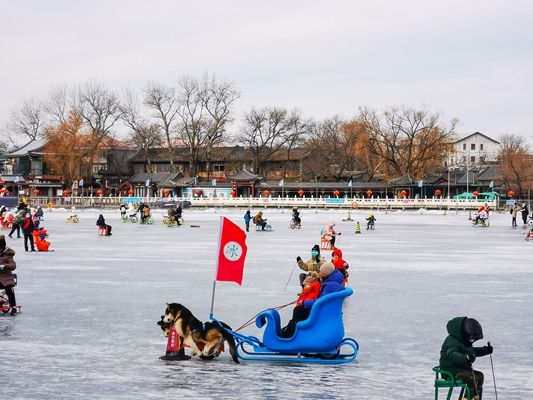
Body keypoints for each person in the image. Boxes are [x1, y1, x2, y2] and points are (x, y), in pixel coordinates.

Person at [280, 262, 344, 338]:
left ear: (326, 273)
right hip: (325, 311)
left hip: (322, 313)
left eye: (321, 272)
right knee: (299, 310)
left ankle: (290, 335)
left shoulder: (330, 286)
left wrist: (304, 303)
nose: (319, 273)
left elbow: (321, 301)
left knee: (299, 310)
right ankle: (289, 330)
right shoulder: (332, 282)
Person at [439, 317, 494, 400]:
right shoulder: (452, 341)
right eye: (472, 339)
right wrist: (465, 357)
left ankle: (474, 397)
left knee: (480, 376)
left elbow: (472, 352)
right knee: (472, 378)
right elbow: (453, 355)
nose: (473, 341)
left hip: (460, 369)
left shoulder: (463, 341)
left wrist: (485, 350)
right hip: (451, 370)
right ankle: (467, 398)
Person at [0, 246, 18, 315]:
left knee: (8, 289)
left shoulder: (7, 256)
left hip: (6, 278)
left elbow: (13, 266)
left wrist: (4, 265)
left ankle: (13, 307)